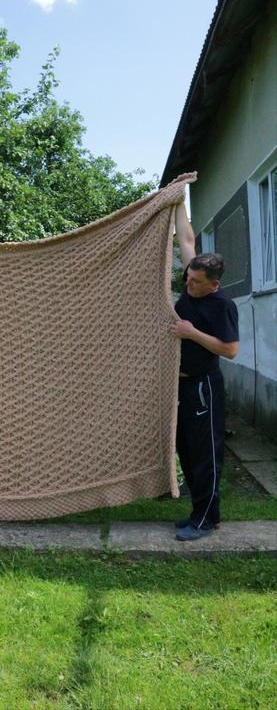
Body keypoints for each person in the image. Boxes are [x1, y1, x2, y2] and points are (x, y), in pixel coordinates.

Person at [171, 200, 239, 540]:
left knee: (205, 453)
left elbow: (230, 350)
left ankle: (206, 520)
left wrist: (192, 333)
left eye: (196, 282)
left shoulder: (221, 305)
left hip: (203, 386)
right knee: (185, 448)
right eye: (188, 277)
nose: (189, 284)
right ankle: (198, 511)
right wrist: (177, 200)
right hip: (181, 385)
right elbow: (187, 240)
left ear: (213, 283)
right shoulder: (194, 278)